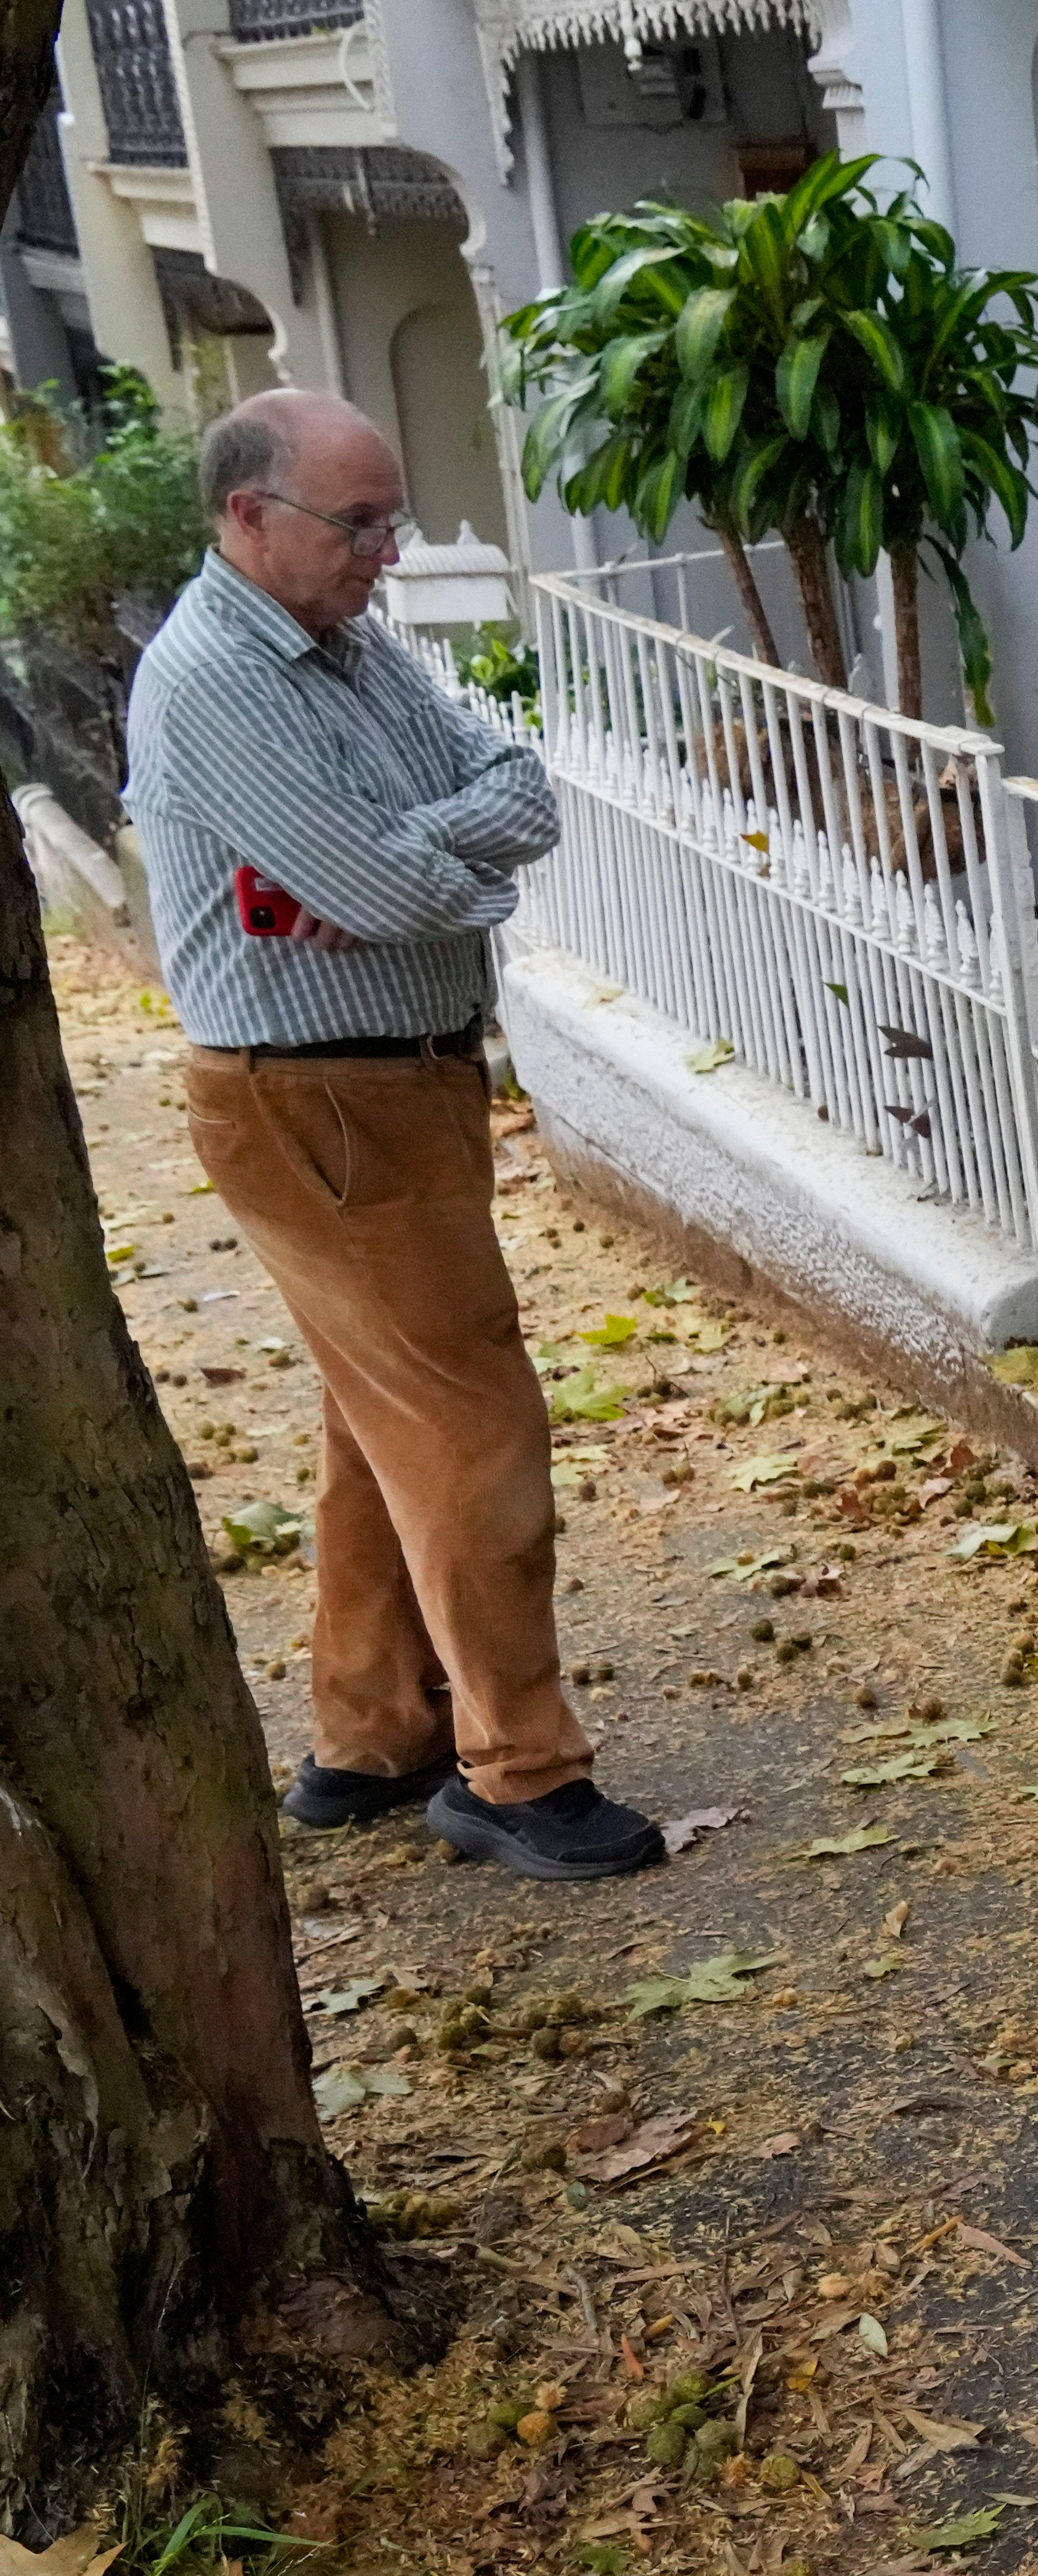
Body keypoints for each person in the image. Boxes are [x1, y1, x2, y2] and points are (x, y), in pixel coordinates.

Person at [128, 389, 663, 1879]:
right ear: (248, 516)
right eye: (355, 521)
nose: (386, 548)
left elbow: (517, 785)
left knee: (386, 1424)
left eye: (389, 516)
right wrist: (425, 865)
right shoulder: (211, 679)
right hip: (318, 1096)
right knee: (472, 1423)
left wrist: (407, 857)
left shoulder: (345, 647)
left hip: (392, 1081)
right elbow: (387, 889)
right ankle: (520, 1773)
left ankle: (371, 1739)